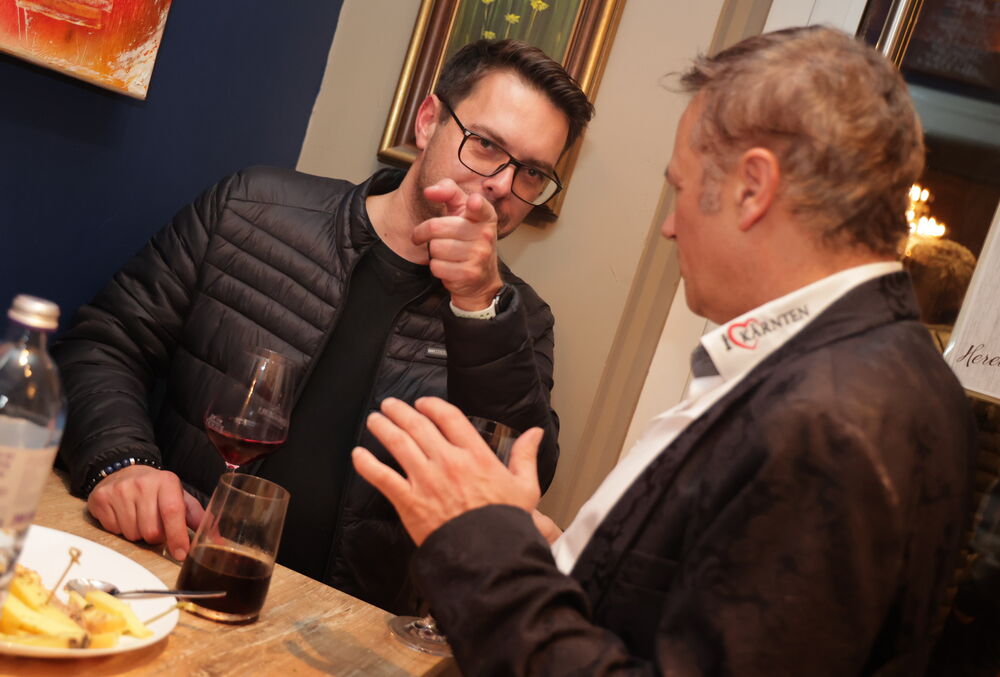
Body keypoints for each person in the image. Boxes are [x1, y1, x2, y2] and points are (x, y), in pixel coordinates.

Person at [351, 26, 978, 674]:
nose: (671, 226)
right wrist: (554, 558)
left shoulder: (834, 419)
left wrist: (484, 551)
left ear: (753, 187)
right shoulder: (871, 370)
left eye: (680, 188)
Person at [52, 39, 594, 614]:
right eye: (485, 145)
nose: (502, 185)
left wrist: (480, 306)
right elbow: (103, 345)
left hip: (344, 632)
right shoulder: (250, 208)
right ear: (428, 120)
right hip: (166, 566)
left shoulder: (517, 318)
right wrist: (123, 462)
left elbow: (518, 483)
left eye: (532, 173)